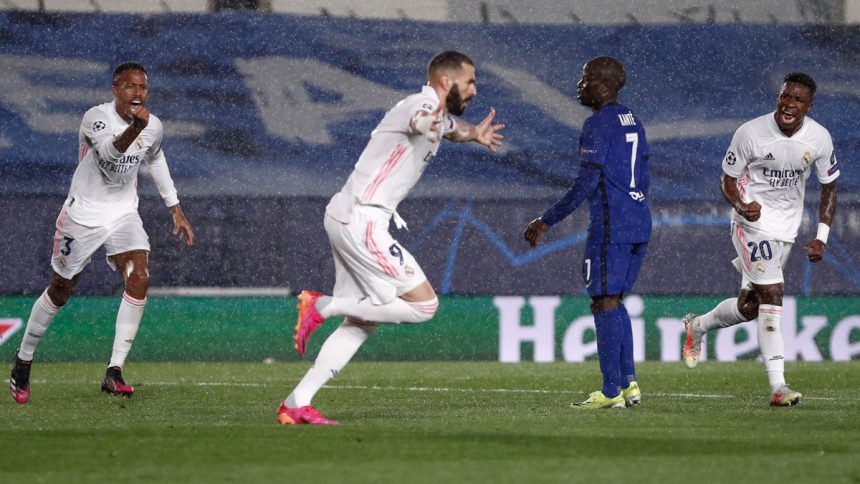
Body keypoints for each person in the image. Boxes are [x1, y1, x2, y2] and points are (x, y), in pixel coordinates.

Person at [277, 50, 504, 425]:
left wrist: (473, 133)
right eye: (471, 82)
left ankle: (297, 402)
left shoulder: (439, 114)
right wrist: (430, 122)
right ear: (446, 82)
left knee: (363, 320)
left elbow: (449, 129)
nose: (475, 91)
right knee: (424, 307)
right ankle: (322, 306)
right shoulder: (420, 105)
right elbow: (420, 122)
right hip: (363, 221)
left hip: (347, 214)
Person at [8, 61, 194, 404]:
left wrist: (175, 207)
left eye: (143, 87)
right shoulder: (95, 118)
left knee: (139, 275)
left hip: (123, 213)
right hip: (83, 214)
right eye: (129, 86)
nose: (137, 93)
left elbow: (154, 157)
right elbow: (109, 156)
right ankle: (24, 357)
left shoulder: (152, 125)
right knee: (61, 290)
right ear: (115, 90)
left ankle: (115, 370)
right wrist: (135, 129)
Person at [681, 72, 838, 407]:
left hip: (786, 229)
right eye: (785, 96)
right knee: (773, 293)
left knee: (749, 307)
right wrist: (741, 205)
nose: (788, 103)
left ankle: (697, 326)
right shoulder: (750, 133)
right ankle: (778, 387)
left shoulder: (820, 139)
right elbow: (727, 179)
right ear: (778, 98)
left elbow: (829, 187)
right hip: (750, 224)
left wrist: (821, 236)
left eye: (797, 99)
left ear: (808, 106)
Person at [524, 56, 651, 410]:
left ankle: (611, 392)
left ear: (606, 86)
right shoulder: (633, 120)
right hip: (639, 221)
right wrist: (635, 206)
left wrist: (546, 219)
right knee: (614, 301)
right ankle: (630, 384)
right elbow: (644, 175)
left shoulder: (597, 124)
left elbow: (585, 182)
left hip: (611, 228)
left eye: (587, 79)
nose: (580, 85)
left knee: (603, 302)